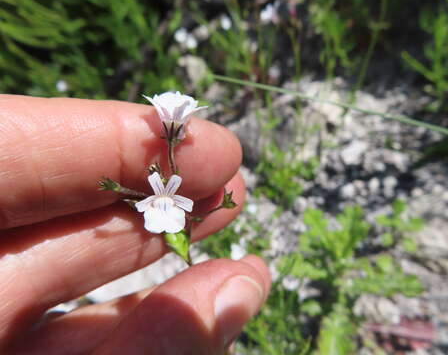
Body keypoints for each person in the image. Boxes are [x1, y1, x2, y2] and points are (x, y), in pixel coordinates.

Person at [0, 95, 271, 354]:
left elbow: (180, 202)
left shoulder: (172, 185)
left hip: (168, 203)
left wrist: (178, 203)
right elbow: (151, 202)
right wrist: (136, 194)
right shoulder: (164, 186)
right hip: (163, 203)